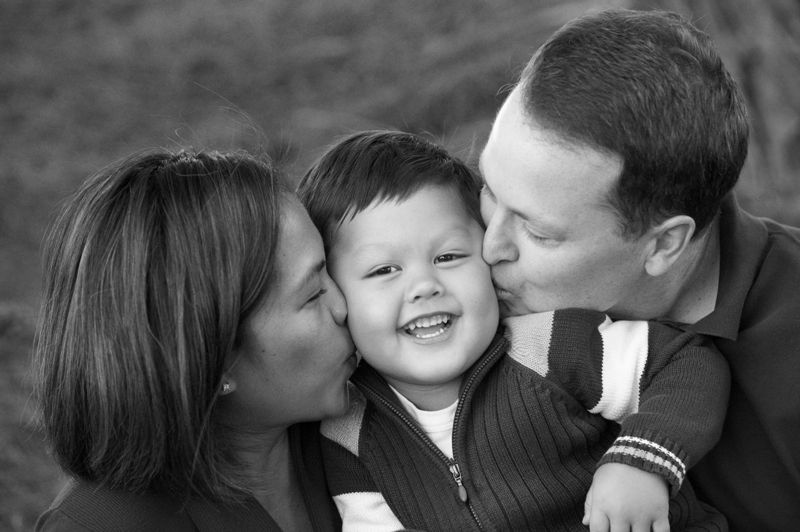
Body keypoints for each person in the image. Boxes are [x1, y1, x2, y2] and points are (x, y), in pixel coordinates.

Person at [298, 130, 729, 531]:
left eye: (448, 257)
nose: (424, 286)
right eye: (384, 270)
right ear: (334, 293)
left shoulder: (549, 347)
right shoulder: (349, 433)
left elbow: (684, 363)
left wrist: (641, 462)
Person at [479, 8, 800, 532]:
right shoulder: (454, 297)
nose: (490, 247)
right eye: (490, 191)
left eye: (538, 233)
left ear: (664, 244)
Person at [33, 149, 357, 531]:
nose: (345, 307)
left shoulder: (361, 435)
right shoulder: (107, 525)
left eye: (333, 270)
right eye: (314, 294)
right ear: (213, 360)